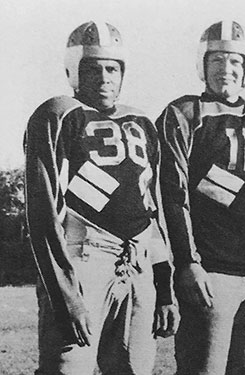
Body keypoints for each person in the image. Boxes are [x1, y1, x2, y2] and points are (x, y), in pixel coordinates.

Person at [25, 20, 179, 375]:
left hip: (137, 265)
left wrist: (164, 287)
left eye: (112, 68)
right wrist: (66, 295)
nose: (105, 77)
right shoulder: (57, 114)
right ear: (73, 71)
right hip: (84, 261)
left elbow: (151, 210)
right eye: (93, 69)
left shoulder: (141, 121)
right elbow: (42, 213)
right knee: (67, 369)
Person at [156, 20, 245, 375]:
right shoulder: (183, 113)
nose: (226, 69)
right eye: (217, 60)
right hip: (211, 271)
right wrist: (187, 263)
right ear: (202, 64)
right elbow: (172, 195)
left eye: (235, 61)